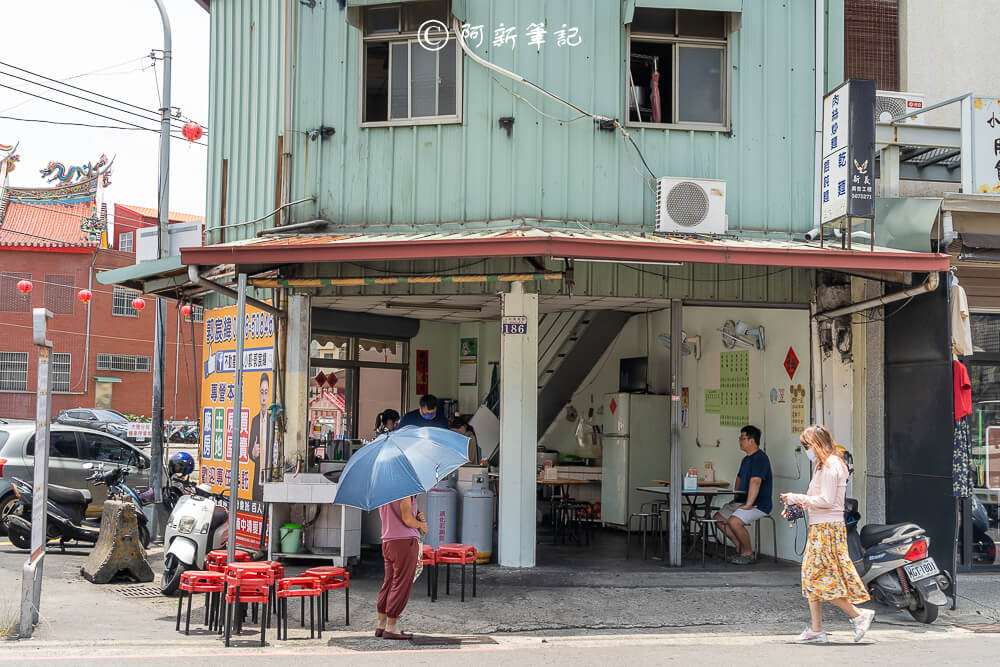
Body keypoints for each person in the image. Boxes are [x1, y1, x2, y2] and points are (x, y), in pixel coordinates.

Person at [781, 424, 874, 645]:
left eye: (807, 445)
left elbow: (827, 501)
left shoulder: (832, 465)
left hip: (827, 530)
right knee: (811, 577)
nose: (806, 450)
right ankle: (816, 629)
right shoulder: (823, 465)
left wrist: (797, 498)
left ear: (816, 444)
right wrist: (803, 504)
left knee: (823, 581)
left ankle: (859, 616)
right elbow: (821, 500)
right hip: (821, 527)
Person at [713, 425, 772, 565]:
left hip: (759, 504)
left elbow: (756, 482)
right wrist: (735, 500)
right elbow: (739, 479)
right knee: (718, 518)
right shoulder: (746, 459)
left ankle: (748, 553)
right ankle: (738, 545)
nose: (740, 441)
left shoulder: (760, 458)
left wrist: (748, 504)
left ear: (752, 440)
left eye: (742, 438)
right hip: (742, 501)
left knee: (734, 521)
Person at [376, 495, 428, 639]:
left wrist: (416, 516)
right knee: (401, 584)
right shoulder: (405, 493)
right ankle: (391, 626)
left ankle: (382, 624)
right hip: (404, 542)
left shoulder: (384, 494)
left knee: (389, 582)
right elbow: (407, 520)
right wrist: (420, 524)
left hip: (388, 541)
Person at [247, 372, 271, 501]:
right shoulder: (255, 420)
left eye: (266, 392)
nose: (263, 397)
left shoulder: (273, 420)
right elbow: (250, 450)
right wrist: (253, 452)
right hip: (257, 478)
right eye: (261, 392)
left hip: (270, 477)